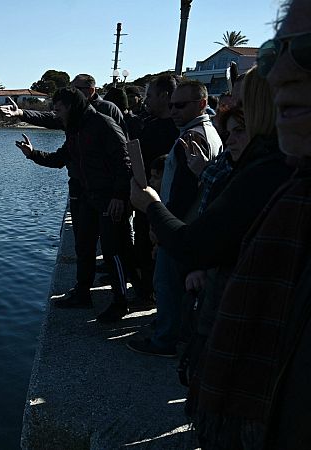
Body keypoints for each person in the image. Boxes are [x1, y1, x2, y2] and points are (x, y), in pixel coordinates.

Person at [194, 1, 311, 446]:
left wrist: (148, 205)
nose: (279, 73)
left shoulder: (271, 178)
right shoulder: (293, 195)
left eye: (307, 51)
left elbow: (198, 243)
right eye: (270, 54)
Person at [14, 87, 133, 322]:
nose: (56, 115)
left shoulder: (103, 124)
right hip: (88, 196)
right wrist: (32, 154)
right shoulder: (75, 128)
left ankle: (121, 302)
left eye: (58, 110)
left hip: (110, 199)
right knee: (83, 246)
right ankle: (82, 292)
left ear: (71, 106)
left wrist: (120, 196)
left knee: (112, 251)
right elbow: (61, 159)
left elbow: (125, 161)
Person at [128, 80, 223, 357]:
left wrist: (160, 227)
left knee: (167, 285)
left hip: (179, 226)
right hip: (191, 227)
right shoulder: (210, 132)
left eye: (181, 105)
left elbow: (183, 193)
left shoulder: (189, 140)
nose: (173, 111)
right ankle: (174, 332)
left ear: (202, 104)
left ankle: (164, 341)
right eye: (171, 105)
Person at [132, 74, 181, 304]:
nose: (146, 101)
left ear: (164, 95)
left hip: (165, 202)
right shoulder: (148, 124)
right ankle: (144, 291)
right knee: (141, 244)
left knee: (158, 251)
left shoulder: (178, 130)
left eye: (150, 95)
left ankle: (155, 297)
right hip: (144, 198)